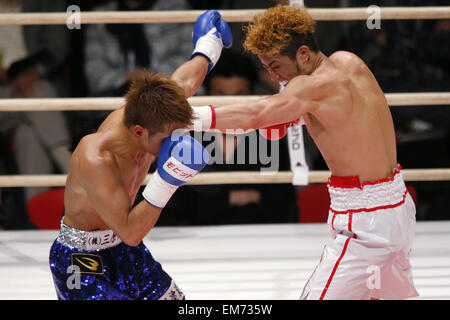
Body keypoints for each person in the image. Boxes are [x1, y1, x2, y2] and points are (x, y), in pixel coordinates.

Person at [188, 5, 418, 300]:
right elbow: (341, 115)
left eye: (276, 65)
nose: (272, 76)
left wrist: (187, 117)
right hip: (398, 208)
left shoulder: (310, 88)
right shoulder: (348, 62)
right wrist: (290, 110)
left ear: (304, 53)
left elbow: (257, 115)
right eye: (266, 68)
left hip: (366, 225)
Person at [49, 10, 232, 300]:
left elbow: (185, 81)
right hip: (81, 260)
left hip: (123, 249)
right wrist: (170, 179)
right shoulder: (96, 157)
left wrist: (209, 45)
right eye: (165, 138)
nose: (172, 142)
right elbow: (131, 231)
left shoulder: (156, 113)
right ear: (138, 132)